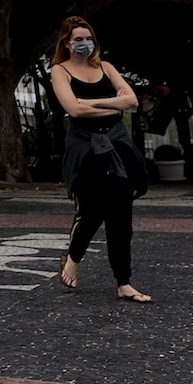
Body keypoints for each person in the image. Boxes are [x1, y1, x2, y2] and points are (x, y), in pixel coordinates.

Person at [49, 16, 152, 302]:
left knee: (121, 217)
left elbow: (131, 101)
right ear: (67, 43)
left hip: (117, 144)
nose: (84, 43)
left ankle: (124, 283)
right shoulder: (60, 71)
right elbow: (74, 111)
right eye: (78, 39)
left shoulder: (106, 67)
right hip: (84, 145)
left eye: (88, 37)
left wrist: (90, 102)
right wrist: (109, 104)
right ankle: (74, 255)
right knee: (91, 211)